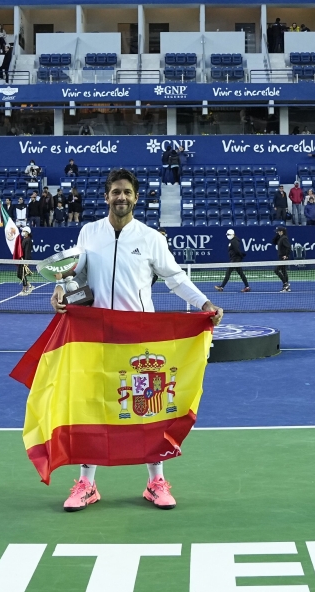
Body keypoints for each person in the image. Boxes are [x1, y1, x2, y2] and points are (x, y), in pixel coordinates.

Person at [50, 168, 222, 512]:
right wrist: (59, 287)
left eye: (127, 192)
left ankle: (155, 482)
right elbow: (75, 274)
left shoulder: (150, 238)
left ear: (136, 197)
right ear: (106, 196)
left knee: (148, 409)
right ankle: (87, 485)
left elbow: (173, 277)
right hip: (96, 336)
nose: (121, 197)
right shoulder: (89, 232)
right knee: (93, 408)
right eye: (115, 192)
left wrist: (203, 303)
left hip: (139, 339)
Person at [272, 225, 291, 292]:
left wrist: (286, 255)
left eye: (278, 232)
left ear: (281, 232)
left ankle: (285, 284)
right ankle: (287, 286)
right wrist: (277, 235)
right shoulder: (280, 238)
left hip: (283, 258)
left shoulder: (284, 239)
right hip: (281, 257)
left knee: (276, 270)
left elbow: (289, 247)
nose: (277, 232)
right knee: (283, 271)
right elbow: (273, 242)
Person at [18, 225, 33, 294]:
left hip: (24, 260)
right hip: (21, 259)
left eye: (24, 231)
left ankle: (24, 290)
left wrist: (26, 261)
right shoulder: (24, 239)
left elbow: (27, 251)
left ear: (27, 232)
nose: (22, 232)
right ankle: (29, 285)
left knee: (22, 274)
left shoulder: (28, 240)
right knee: (19, 274)